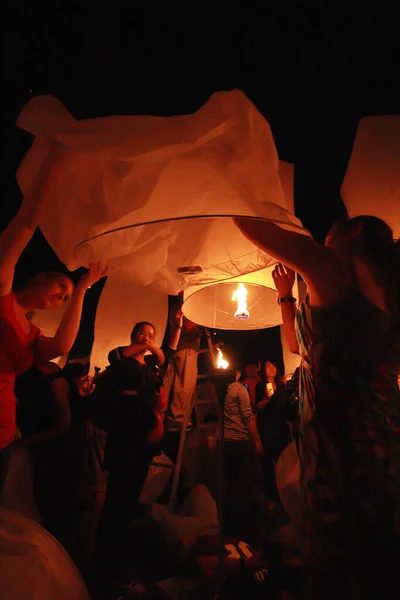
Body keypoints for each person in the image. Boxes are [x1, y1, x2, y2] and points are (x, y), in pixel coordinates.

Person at [234, 214, 400, 599]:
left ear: (354, 232)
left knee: (343, 564)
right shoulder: (388, 286)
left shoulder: (339, 269)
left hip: (344, 448)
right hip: (381, 439)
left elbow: (252, 225)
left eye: (327, 235)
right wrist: (286, 297)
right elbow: (301, 349)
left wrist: (237, 173)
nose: (324, 243)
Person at [0, 148, 107, 495]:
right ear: (38, 277)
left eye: (64, 297)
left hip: (4, 436)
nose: (60, 297)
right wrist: (55, 162)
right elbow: (23, 227)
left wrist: (80, 291)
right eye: (60, 287)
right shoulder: (2, 292)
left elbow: (60, 347)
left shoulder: (30, 331)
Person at [97, 313, 183, 593]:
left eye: (151, 334)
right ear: (134, 337)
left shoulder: (151, 367)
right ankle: (107, 569)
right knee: (117, 504)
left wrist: (177, 326)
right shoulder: (122, 361)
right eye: (142, 334)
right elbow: (116, 355)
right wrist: (147, 346)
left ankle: (119, 563)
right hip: (126, 437)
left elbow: (167, 351)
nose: (147, 337)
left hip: (145, 439)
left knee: (128, 500)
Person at [255, 360, 291, 506]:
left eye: (272, 365)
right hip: (267, 429)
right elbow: (258, 407)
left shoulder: (282, 386)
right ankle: (271, 498)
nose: (269, 368)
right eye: (266, 366)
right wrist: (266, 398)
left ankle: (285, 496)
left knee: (283, 462)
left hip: (281, 429)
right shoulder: (261, 386)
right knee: (268, 464)